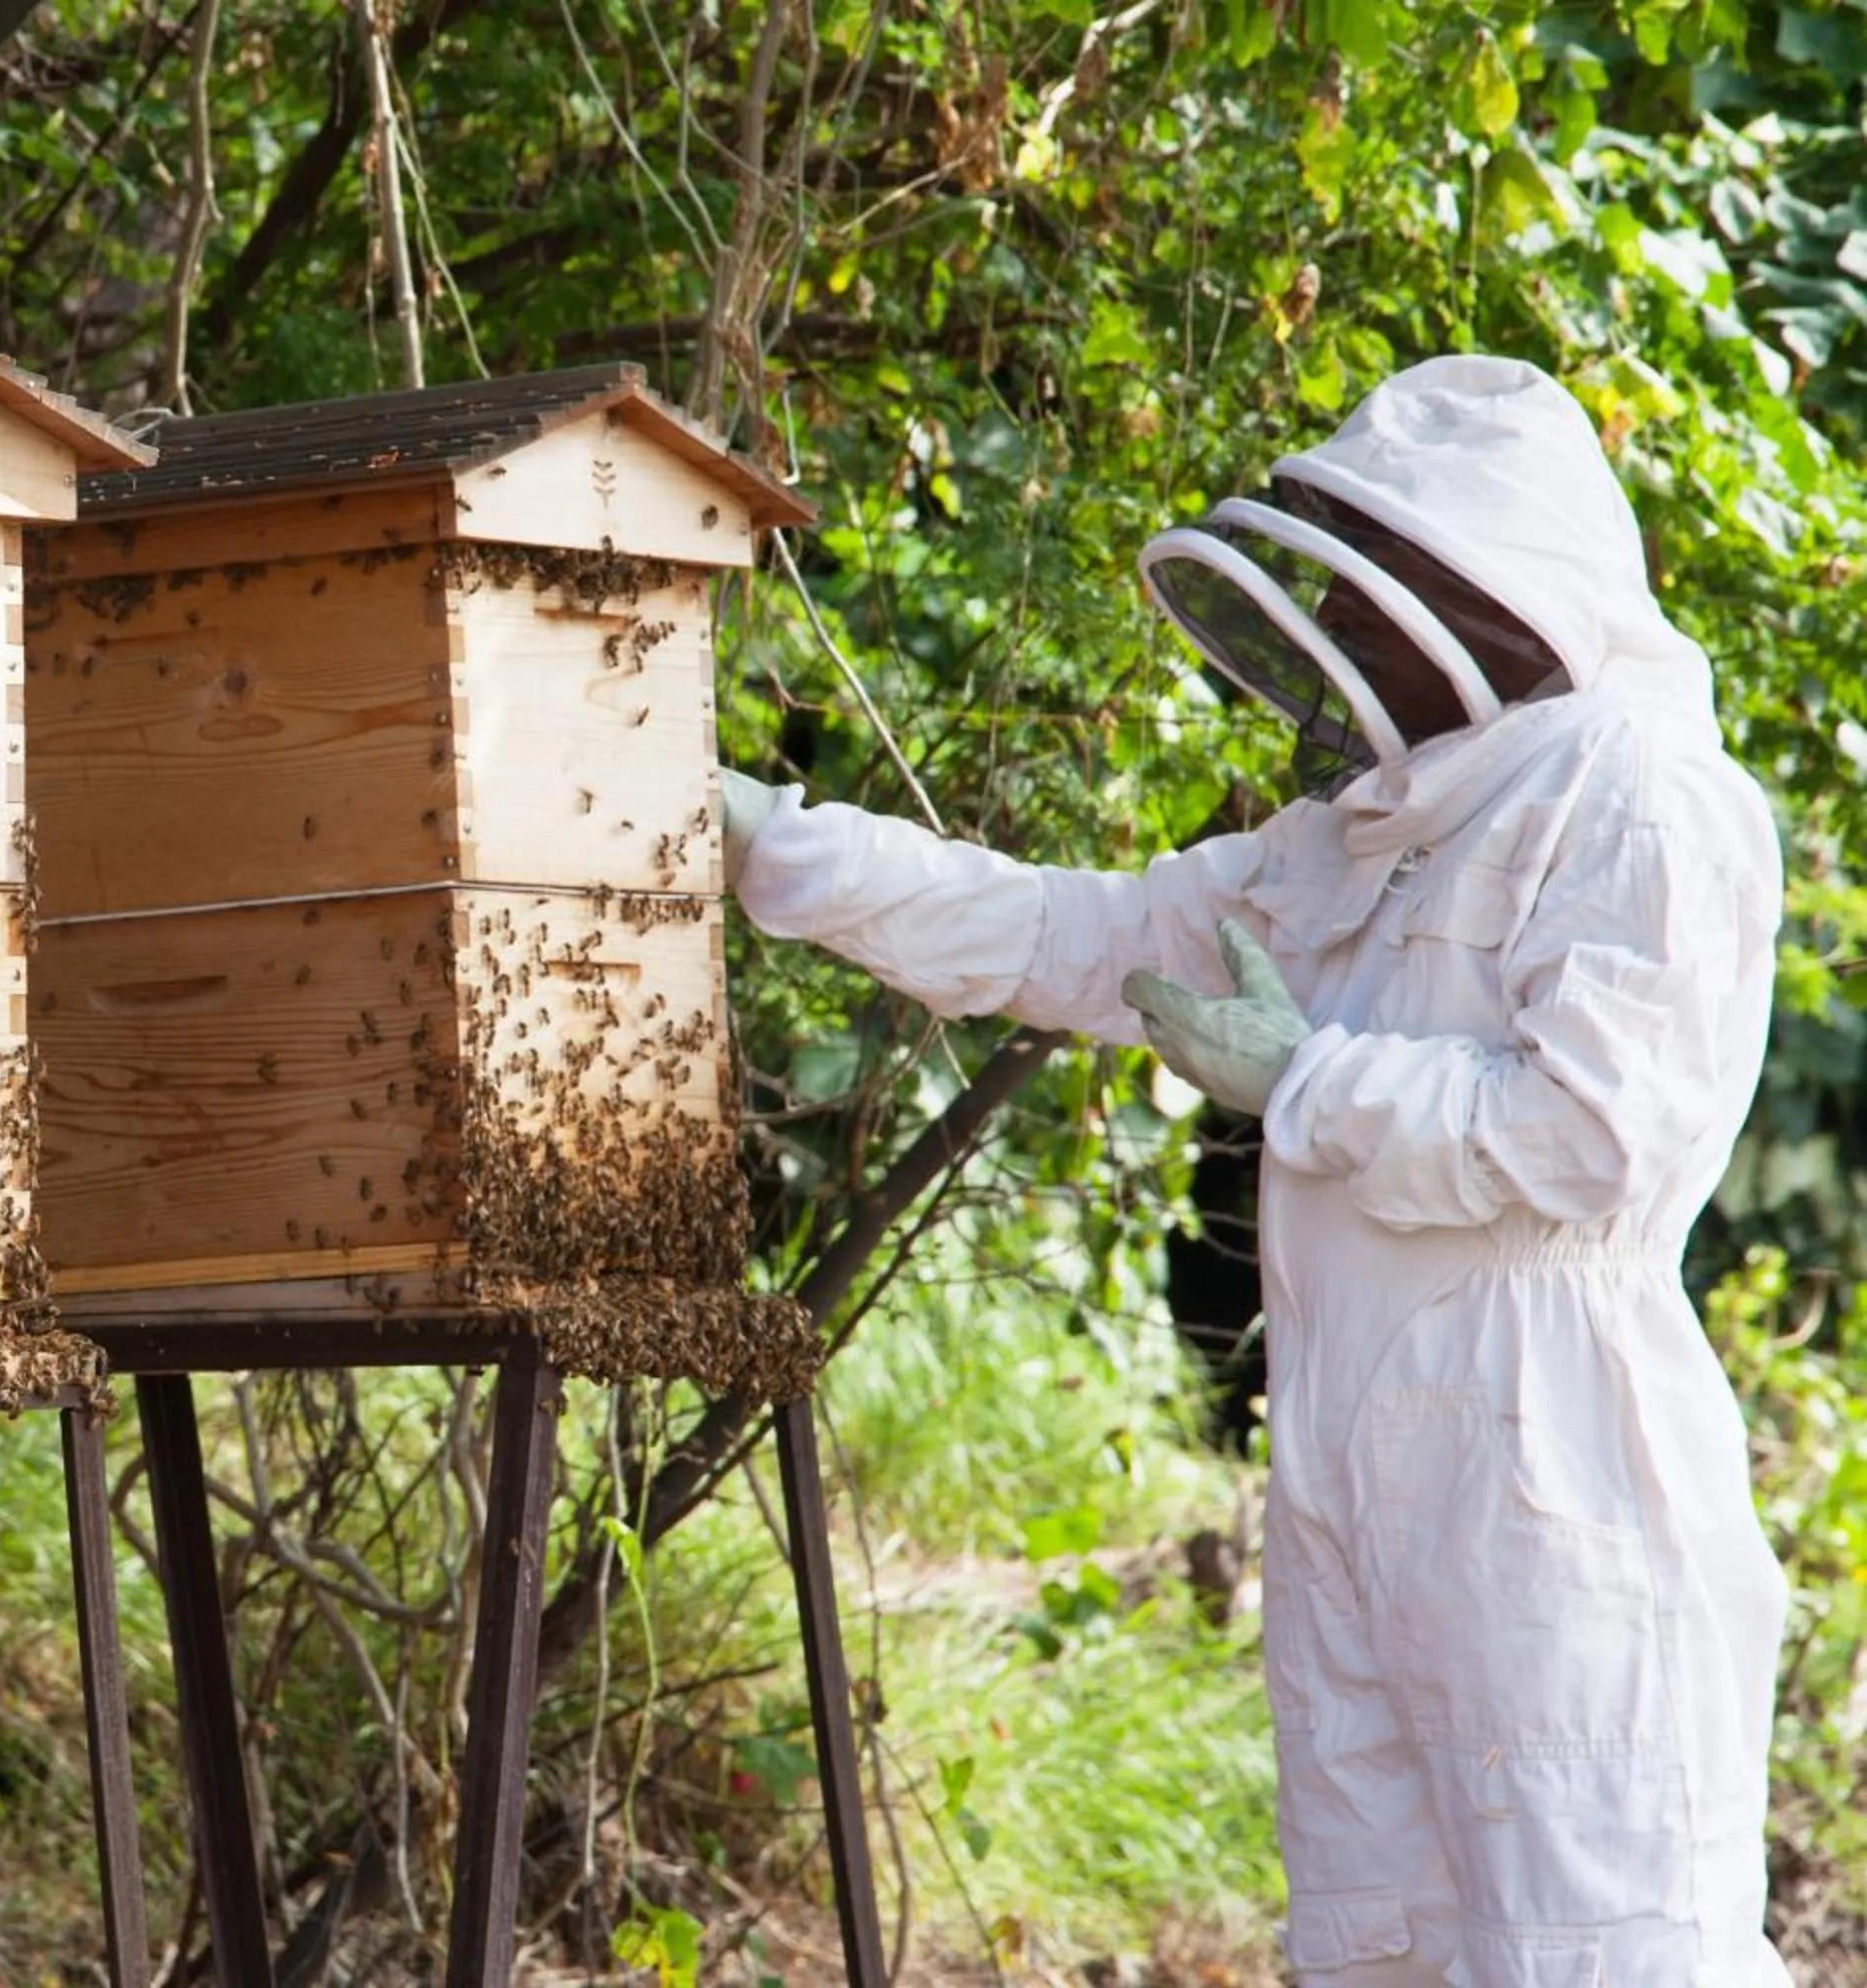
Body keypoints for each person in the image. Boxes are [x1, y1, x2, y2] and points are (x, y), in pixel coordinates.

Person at [722, 356, 1789, 1986]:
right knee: (1380, 1933)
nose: (1351, 637)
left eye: (1386, 593)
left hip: (1550, 1454)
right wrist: (757, 842)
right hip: (1353, 1457)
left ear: (1500, 586)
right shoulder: (1362, 830)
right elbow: (1067, 934)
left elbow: (1592, 1132)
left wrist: (1309, 1076)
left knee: (1593, 1934)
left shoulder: (1638, 794)